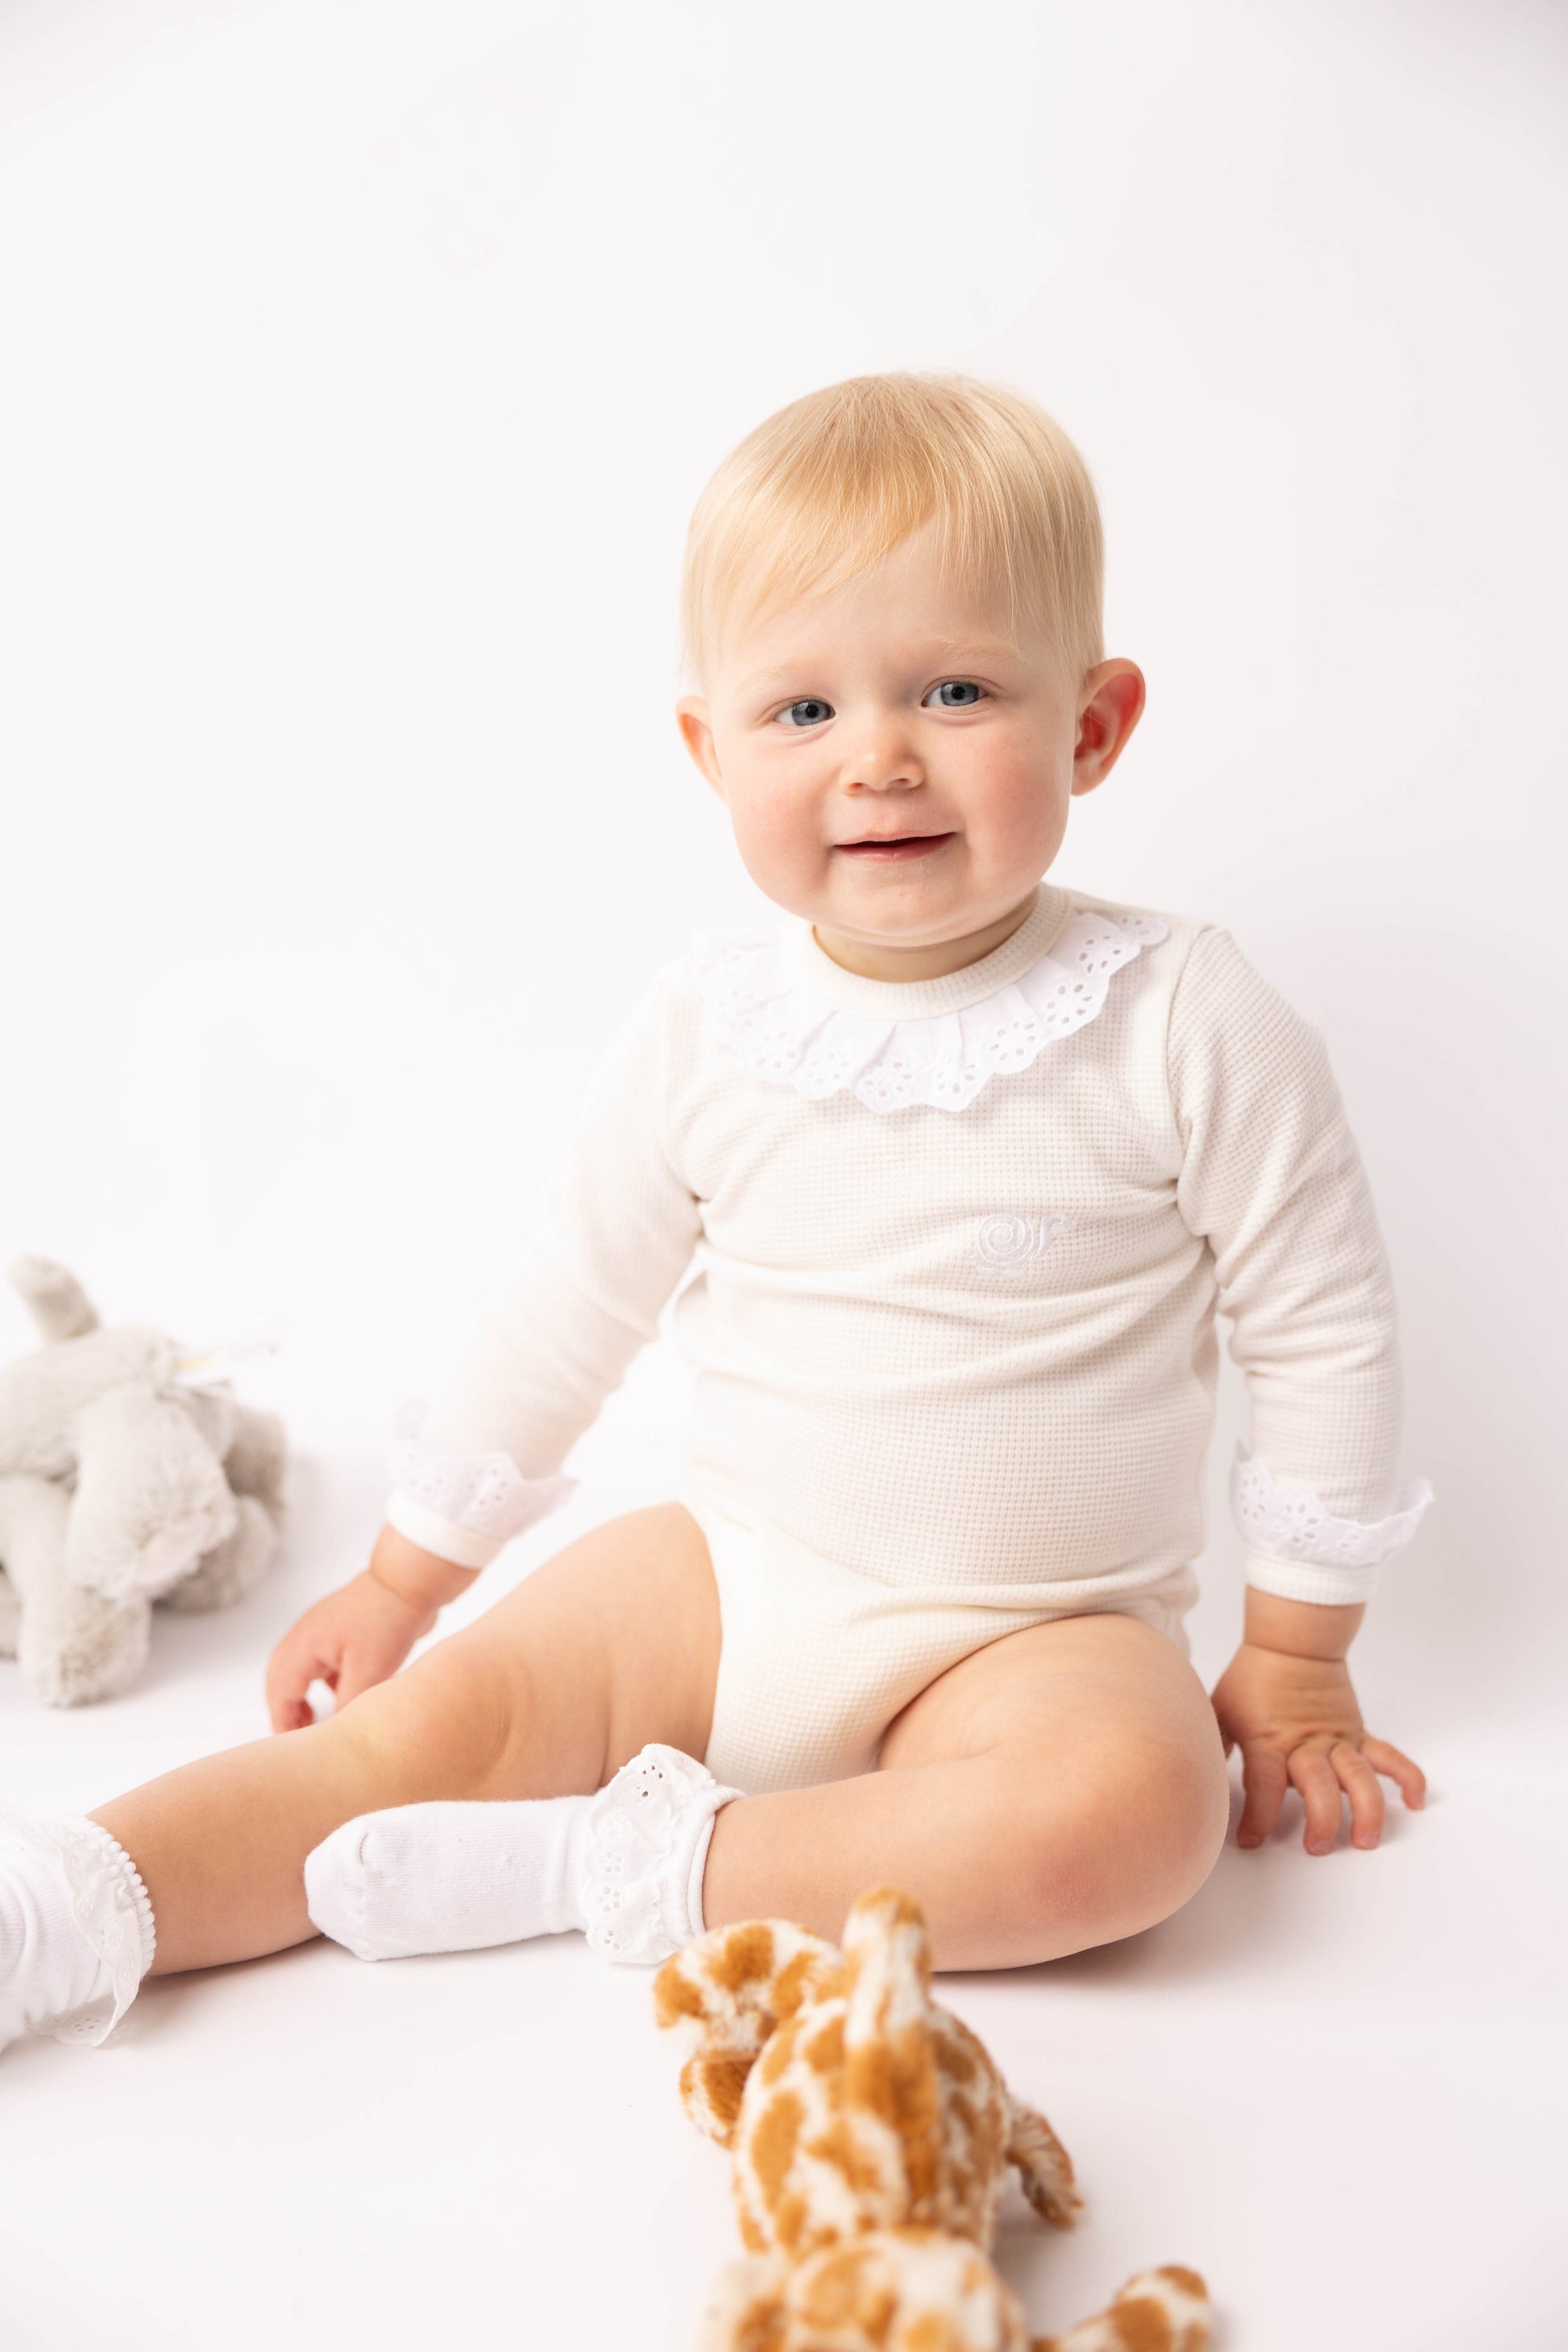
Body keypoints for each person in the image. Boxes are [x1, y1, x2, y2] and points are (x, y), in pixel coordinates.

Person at [0, 372, 1432, 2054]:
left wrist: (1295, 1657)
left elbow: (1323, 1324)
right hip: (728, 1577)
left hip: (1036, 1630)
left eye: (955, 687)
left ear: (1093, 725)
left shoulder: (1182, 1013)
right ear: (710, 748)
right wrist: (402, 1580)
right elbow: (566, 1305)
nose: (878, 754)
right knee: (406, 1735)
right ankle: (72, 1906)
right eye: (801, 711)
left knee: (1136, 1820)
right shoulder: (710, 1026)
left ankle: (609, 1867)